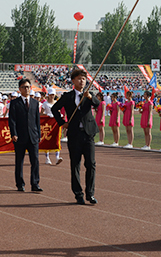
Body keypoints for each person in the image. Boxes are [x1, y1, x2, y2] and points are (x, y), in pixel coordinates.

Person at [51, 68, 100, 205]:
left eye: (84, 79)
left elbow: (97, 104)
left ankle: (90, 194)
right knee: (75, 165)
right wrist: (62, 123)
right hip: (74, 134)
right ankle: (78, 194)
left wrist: (90, 97)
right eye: (79, 78)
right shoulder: (68, 96)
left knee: (91, 164)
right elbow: (55, 109)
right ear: (73, 81)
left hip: (88, 134)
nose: (82, 81)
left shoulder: (89, 94)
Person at [8, 78, 42, 192]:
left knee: (35, 161)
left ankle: (35, 183)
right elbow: (12, 120)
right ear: (20, 89)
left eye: (28, 87)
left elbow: (37, 120)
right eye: (24, 87)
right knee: (19, 161)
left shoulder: (35, 103)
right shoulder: (14, 103)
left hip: (33, 136)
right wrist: (14, 133)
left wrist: (38, 134)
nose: (26, 89)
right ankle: (20, 184)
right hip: (20, 137)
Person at [40, 88, 62, 165]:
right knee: (47, 139)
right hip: (47, 124)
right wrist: (47, 115)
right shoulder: (45, 104)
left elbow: (59, 112)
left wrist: (59, 115)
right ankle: (47, 158)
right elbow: (41, 113)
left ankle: (57, 157)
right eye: (51, 94)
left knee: (56, 139)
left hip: (55, 124)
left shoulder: (57, 103)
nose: (52, 96)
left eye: (53, 94)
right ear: (48, 95)